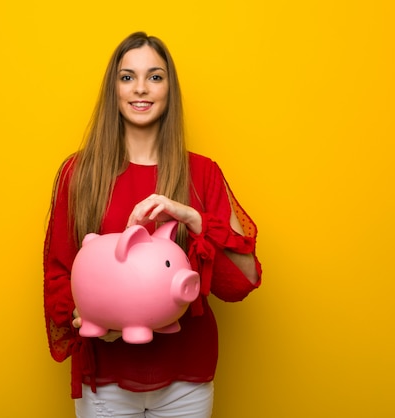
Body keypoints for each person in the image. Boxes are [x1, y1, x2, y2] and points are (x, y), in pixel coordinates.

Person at [43, 31, 262, 418]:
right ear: (113, 89)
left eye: (155, 77)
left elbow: (242, 282)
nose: (140, 88)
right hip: (105, 379)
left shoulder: (203, 172)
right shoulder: (78, 173)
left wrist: (194, 219)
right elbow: (59, 273)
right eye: (127, 77)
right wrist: (88, 320)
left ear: (169, 89)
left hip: (186, 380)